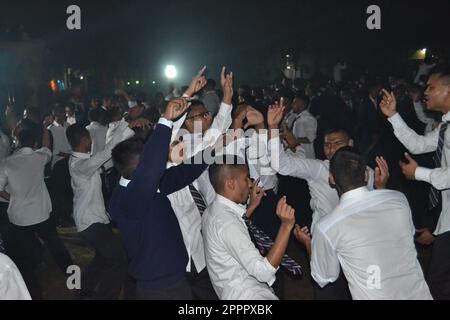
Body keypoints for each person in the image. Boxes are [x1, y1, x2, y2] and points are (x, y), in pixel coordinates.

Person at [266, 102, 389, 299]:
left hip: (357, 244)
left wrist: (381, 188)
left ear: (350, 144)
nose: (330, 149)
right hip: (326, 243)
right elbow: (282, 165)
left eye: (337, 143)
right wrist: (272, 128)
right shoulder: (319, 169)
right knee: (327, 291)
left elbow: (379, 213)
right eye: (327, 144)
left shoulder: (368, 173)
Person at [294, 147, 433, 300]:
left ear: (332, 179)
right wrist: (381, 189)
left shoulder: (328, 227)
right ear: (366, 175)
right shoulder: (398, 199)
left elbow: (323, 278)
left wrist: (308, 242)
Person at [109, 98, 212, 300]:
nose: (157, 161)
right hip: (161, 289)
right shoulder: (129, 200)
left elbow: (184, 173)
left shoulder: (146, 187)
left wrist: (214, 149)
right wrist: (165, 120)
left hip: (173, 279)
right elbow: (153, 166)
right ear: (142, 169)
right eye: (147, 160)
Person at [379, 65, 450, 299]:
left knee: (437, 284)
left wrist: (419, 173)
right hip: (447, 219)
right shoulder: (445, 126)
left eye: (431, 87)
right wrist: (393, 115)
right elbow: (418, 144)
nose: (425, 92)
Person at [66, 118, 142, 299]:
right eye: (89, 137)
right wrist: (127, 126)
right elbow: (107, 152)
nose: (91, 139)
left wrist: (125, 124)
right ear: (85, 139)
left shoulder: (81, 161)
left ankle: (83, 288)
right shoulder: (79, 165)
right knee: (119, 260)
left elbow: (105, 155)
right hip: (90, 222)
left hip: (95, 219)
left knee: (103, 257)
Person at [203, 157, 299, 300]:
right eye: (246, 178)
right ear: (231, 184)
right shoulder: (227, 223)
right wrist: (286, 226)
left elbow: (234, 227)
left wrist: (252, 205)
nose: (250, 184)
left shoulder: (212, 211)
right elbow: (263, 271)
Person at [0, 125, 73, 299]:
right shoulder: (39, 157)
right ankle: (75, 280)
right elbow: (47, 147)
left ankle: (33, 292)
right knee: (58, 249)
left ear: (17, 143)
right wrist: (46, 130)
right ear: (34, 143)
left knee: (22, 257)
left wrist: (14, 199)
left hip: (19, 218)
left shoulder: (6, 162)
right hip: (40, 214)